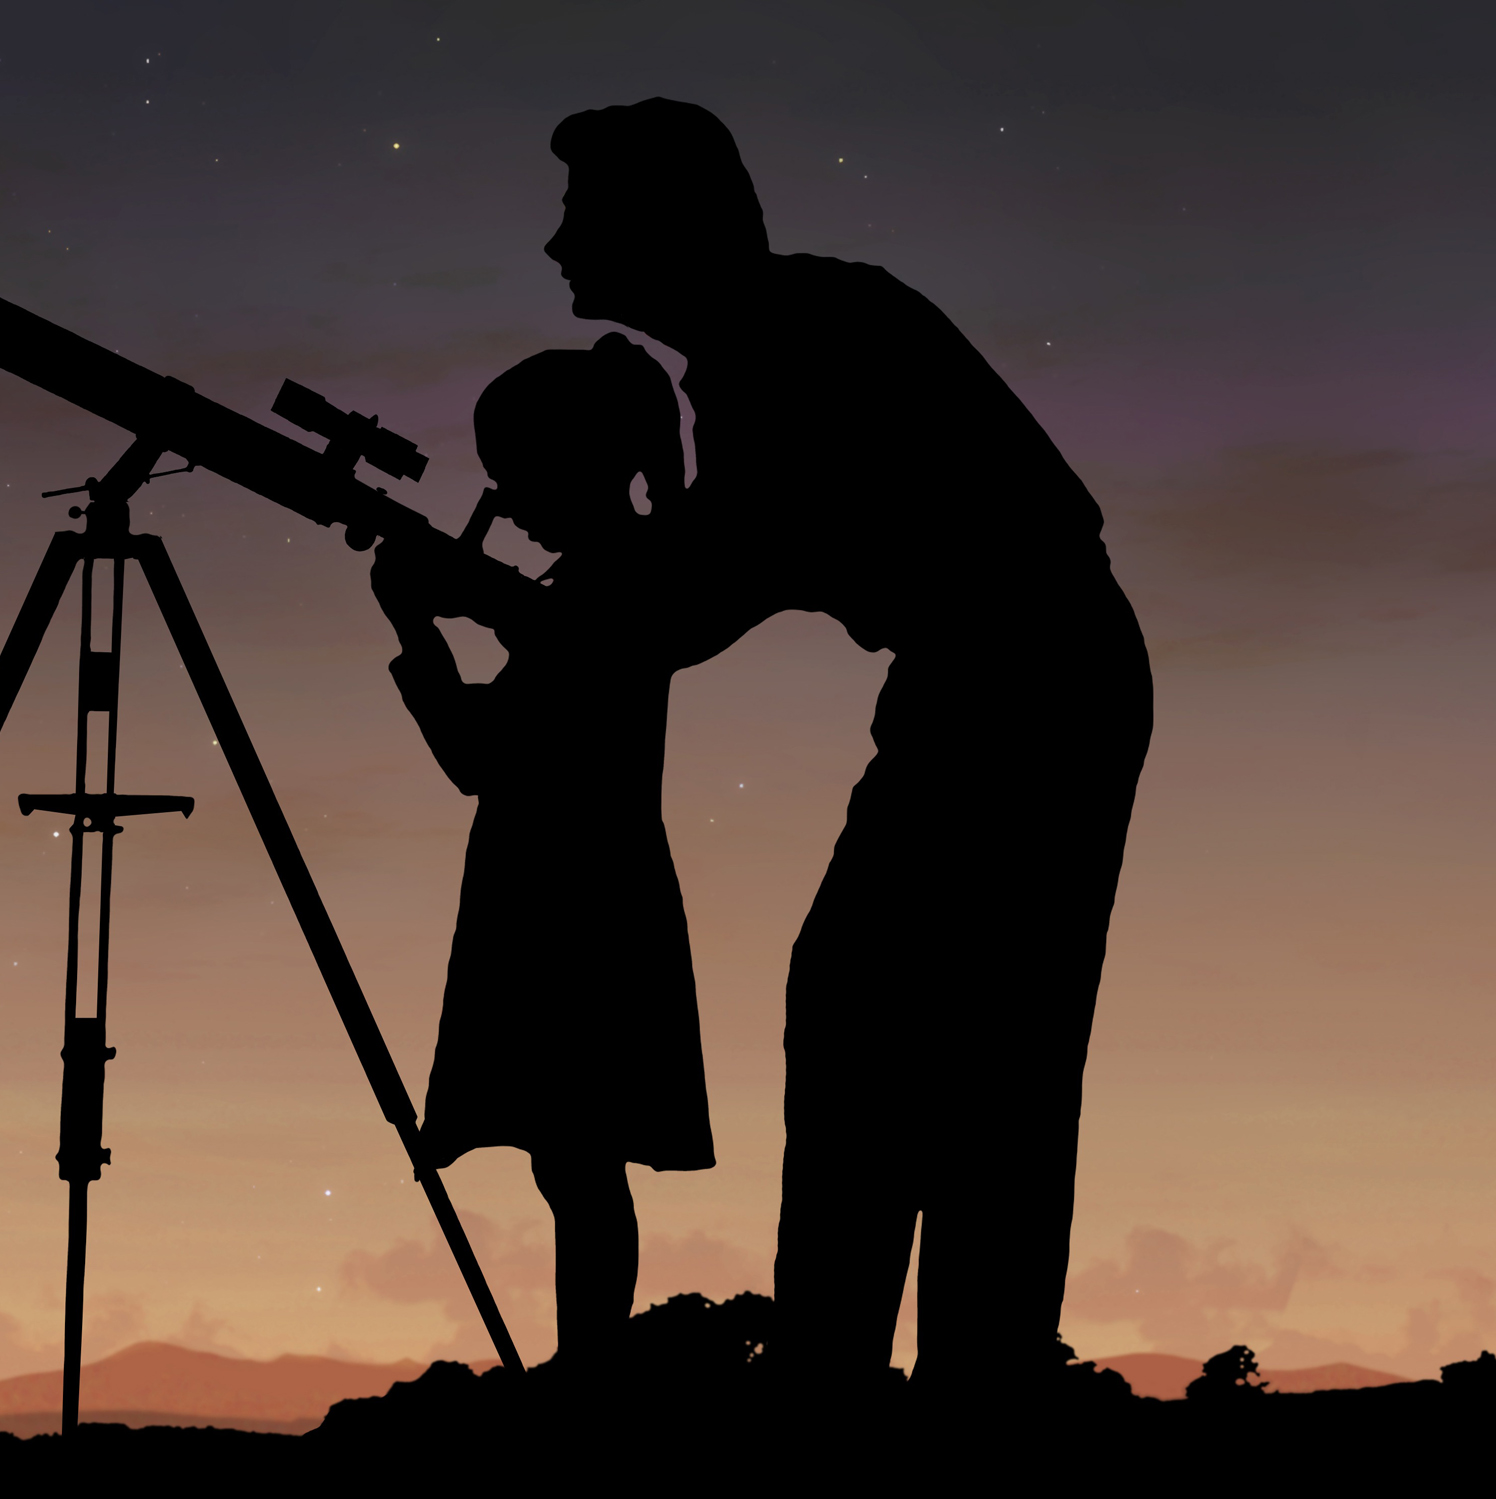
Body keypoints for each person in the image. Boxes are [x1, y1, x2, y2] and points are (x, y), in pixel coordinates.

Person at [539, 98, 1155, 1396]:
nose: (556, 248)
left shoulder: (781, 344)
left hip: (1022, 679)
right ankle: (916, 1379)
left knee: (919, 1033)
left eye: (581, 217)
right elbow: (720, 566)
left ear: (662, 224)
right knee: (937, 1037)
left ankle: (874, 1386)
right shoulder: (778, 336)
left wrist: (576, 591)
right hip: (1008, 675)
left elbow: (710, 588)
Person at [372, 336, 733, 1363]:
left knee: (576, 1163)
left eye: (516, 478)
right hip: (584, 891)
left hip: (570, 900)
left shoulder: (603, 589)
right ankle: (589, 1378)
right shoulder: (608, 581)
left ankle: (588, 1384)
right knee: (573, 1164)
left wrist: (417, 626)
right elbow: (545, 664)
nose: (509, 502)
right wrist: (468, 611)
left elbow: (480, 755)